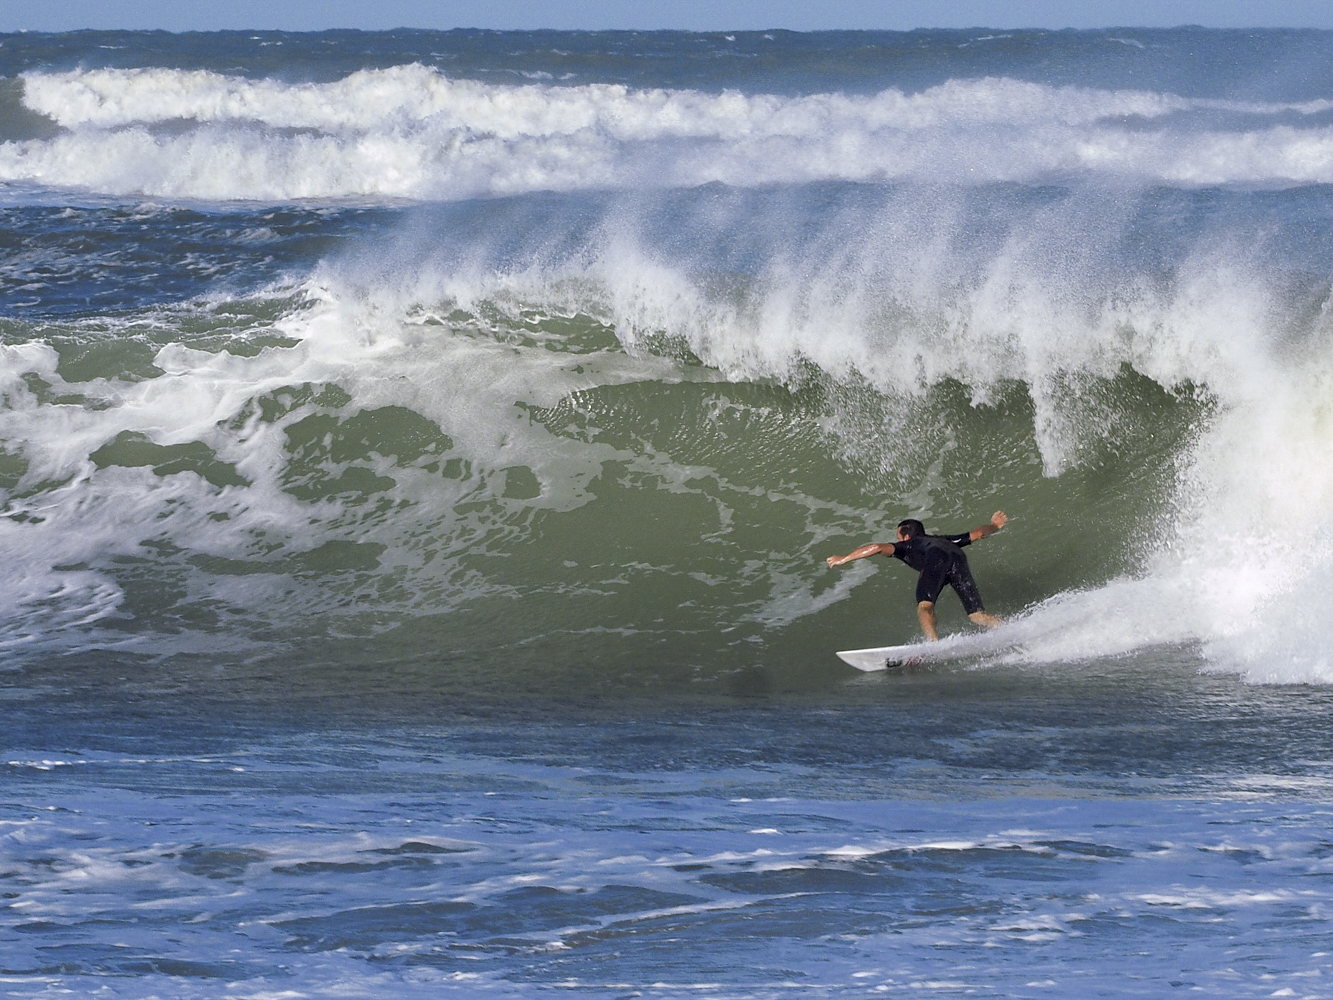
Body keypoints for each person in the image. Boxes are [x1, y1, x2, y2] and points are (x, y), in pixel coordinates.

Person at [825, 511, 1008, 641]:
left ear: (905, 537)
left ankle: (933, 644)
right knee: (977, 616)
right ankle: (1011, 630)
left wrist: (844, 558)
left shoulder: (909, 545)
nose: (897, 540)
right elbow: (979, 533)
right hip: (957, 558)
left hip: (936, 558)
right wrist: (995, 526)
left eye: (898, 536)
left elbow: (877, 547)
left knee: (924, 607)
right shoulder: (944, 539)